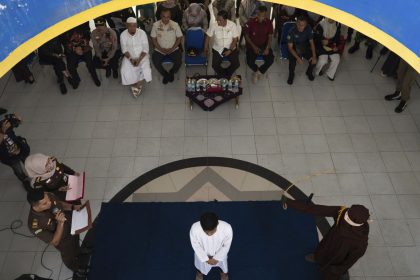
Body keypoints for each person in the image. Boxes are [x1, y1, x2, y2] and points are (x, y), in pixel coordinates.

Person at [281, 194, 369, 280]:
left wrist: (338, 270)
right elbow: (318, 209)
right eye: (347, 213)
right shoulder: (342, 212)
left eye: (347, 216)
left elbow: (350, 261)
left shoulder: (361, 243)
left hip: (336, 260)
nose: (344, 214)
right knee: (320, 253)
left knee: (328, 275)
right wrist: (289, 202)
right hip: (327, 244)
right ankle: (317, 258)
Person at [27, 189, 85, 275]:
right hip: (63, 240)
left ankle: (79, 251)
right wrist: (60, 223)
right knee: (68, 255)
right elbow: (55, 241)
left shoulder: (48, 195)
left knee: (76, 241)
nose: (49, 203)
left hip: (70, 225)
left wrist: (73, 207)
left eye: (49, 200)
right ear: (36, 207)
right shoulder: (35, 224)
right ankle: (75, 268)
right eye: (45, 203)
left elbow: (60, 204)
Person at [190, 212, 233, 280]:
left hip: (220, 253)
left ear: (217, 224)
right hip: (202, 254)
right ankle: (199, 274)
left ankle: (223, 275)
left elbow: (226, 245)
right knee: (200, 267)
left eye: (212, 231)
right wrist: (205, 258)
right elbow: (196, 245)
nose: (209, 235)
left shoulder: (227, 228)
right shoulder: (195, 228)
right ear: (201, 226)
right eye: (206, 232)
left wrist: (217, 258)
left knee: (222, 268)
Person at [121, 17, 153, 97]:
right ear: (126, 26)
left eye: (134, 25)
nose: (132, 28)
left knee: (145, 69)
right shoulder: (123, 35)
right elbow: (124, 50)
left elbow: (146, 49)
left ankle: (138, 85)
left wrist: (139, 60)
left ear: (136, 25)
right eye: (130, 26)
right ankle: (135, 82)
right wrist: (131, 59)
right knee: (124, 70)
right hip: (129, 56)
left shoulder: (142, 33)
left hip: (142, 56)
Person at [62, 23, 101, 89]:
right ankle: (76, 79)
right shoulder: (63, 27)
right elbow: (64, 42)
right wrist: (75, 48)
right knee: (70, 66)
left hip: (84, 47)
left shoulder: (83, 23)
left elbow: (88, 36)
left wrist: (81, 47)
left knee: (90, 63)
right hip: (72, 50)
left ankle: (95, 77)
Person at [151, 9, 183, 84]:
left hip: (173, 49)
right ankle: (165, 74)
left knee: (179, 61)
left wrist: (172, 48)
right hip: (159, 49)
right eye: (164, 16)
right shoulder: (155, 25)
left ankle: (171, 72)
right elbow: (154, 39)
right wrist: (161, 49)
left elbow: (179, 38)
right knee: (155, 60)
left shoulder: (175, 25)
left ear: (170, 17)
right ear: (160, 16)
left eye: (168, 17)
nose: (166, 19)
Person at [204, 10, 239, 79]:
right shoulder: (214, 25)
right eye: (217, 20)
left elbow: (235, 40)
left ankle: (226, 74)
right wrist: (205, 48)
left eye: (220, 20)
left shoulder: (232, 25)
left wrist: (230, 50)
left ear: (225, 20)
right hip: (217, 48)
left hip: (230, 47)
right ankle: (224, 75)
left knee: (236, 64)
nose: (218, 22)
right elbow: (208, 36)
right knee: (214, 65)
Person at [244, 5, 274, 83]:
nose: (262, 18)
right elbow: (246, 36)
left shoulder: (269, 22)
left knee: (270, 60)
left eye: (264, 16)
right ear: (257, 14)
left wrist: (267, 48)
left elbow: (270, 36)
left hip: (264, 45)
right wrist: (253, 47)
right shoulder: (250, 22)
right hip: (252, 46)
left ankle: (258, 72)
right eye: (261, 15)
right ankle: (257, 70)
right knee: (250, 62)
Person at [0, 113, 30, 187]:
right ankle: (25, 181)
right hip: (9, 157)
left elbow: (20, 122)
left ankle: (32, 171)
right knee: (18, 170)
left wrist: (18, 119)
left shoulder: (3, 123)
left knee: (28, 162)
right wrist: (3, 131)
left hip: (20, 149)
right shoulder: (3, 127)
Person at [286, 15, 317, 85]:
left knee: (314, 61)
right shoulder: (291, 31)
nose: (300, 26)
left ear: (306, 25)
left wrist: (314, 56)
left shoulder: (308, 29)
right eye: (299, 24)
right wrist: (298, 58)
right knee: (292, 64)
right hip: (294, 48)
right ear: (296, 23)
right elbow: (290, 48)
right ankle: (291, 75)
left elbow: (311, 42)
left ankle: (309, 72)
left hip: (304, 46)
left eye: (303, 25)